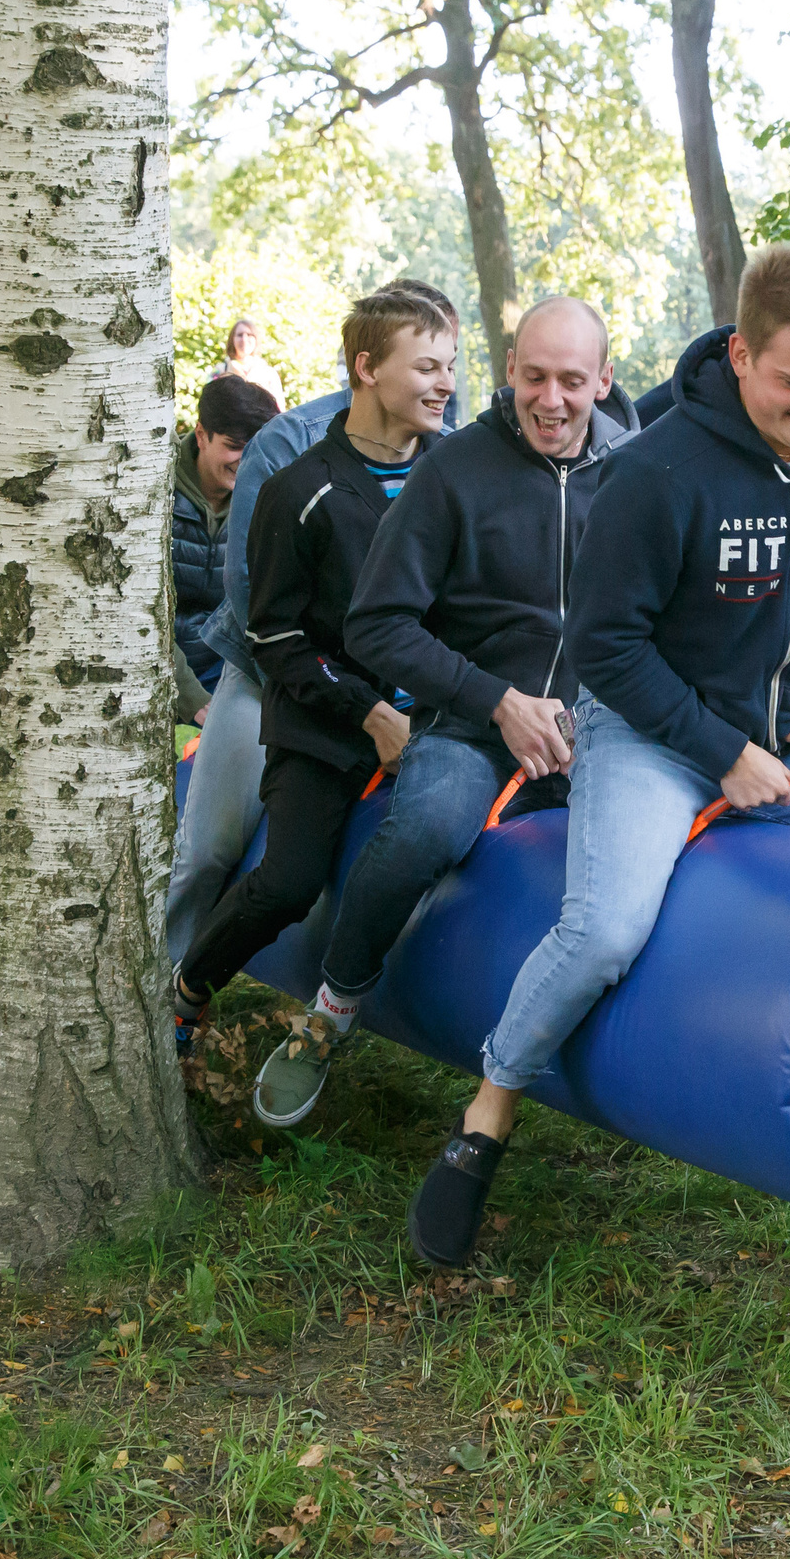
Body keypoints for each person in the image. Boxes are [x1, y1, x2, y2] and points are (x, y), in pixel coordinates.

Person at [403, 241, 790, 1269]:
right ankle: (487, 1114)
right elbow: (606, 647)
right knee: (605, 930)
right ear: (741, 353)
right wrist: (719, 750)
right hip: (653, 728)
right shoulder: (655, 469)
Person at [245, 298, 642, 1127]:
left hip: (599, 726)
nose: (552, 400)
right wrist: (498, 702)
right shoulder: (453, 468)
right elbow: (376, 623)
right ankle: (332, 1010)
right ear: (509, 369)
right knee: (426, 828)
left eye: (573, 381)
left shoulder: (636, 471)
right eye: (535, 377)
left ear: (604, 380)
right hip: (471, 721)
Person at [168, 289, 458, 1054]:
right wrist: (372, 714)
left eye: (451, 365)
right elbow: (275, 637)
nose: (446, 383)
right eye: (426, 366)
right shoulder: (299, 485)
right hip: (326, 722)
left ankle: (340, 1012)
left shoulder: (454, 474)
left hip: (439, 718)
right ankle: (185, 988)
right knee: (290, 883)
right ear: (367, 368)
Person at [172, 375, 282, 723]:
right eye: (234, 446)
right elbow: (140, 616)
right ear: (201, 435)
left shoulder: (268, 499)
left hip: (226, 669)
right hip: (157, 671)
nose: (246, 459)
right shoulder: (152, 490)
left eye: (256, 447)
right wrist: (193, 701)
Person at [211, 316, 285, 403]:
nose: (244, 339)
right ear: (232, 339)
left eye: (249, 335)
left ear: (256, 339)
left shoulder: (269, 374)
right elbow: (209, 403)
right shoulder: (220, 370)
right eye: (240, 335)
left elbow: (279, 407)